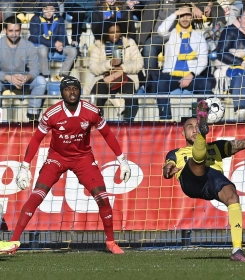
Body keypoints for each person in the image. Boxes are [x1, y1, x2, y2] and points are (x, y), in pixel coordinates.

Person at [9, 76, 131, 255]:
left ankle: (111, 242)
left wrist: (123, 161)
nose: (71, 92)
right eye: (67, 89)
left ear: (79, 91)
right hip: (57, 158)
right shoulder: (51, 114)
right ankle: (13, 242)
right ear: (62, 93)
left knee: (103, 198)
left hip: (83, 158)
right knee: (36, 196)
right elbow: (36, 139)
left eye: (75, 88)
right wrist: (24, 167)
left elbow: (108, 134)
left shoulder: (91, 110)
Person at [163, 99, 245, 261]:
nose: (194, 129)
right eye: (190, 127)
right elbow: (167, 169)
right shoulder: (175, 153)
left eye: (197, 126)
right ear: (182, 133)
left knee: (232, 195)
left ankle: (237, 250)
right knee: (197, 161)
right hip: (190, 180)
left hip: (212, 181)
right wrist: (168, 170)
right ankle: (202, 139)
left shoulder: (217, 147)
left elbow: (243, 144)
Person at [152, 6, 215, 120]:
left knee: (206, 86)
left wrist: (191, 74)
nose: (185, 18)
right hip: (171, 75)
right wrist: (175, 13)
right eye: (182, 16)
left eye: (187, 15)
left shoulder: (199, 37)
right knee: (159, 84)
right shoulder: (170, 34)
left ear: (192, 17)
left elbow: (203, 60)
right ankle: (166, 120)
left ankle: (202, 120)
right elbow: (160, 30)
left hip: (191, 75)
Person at [89, 20, 144, 121]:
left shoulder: (129, 43)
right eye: (111, 32)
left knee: (131, 94)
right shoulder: (99, 45)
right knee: (97, 92)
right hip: (106, 77)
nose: (115, 35)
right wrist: (109, 64)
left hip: (125, 77)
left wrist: (123, 68)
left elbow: (139, 63)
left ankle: (128, 121)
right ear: (106, 33)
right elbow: (93, 67)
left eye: (117, 31)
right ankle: (97, 121)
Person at [0, 16, 46, 122]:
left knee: (41, 81)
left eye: (17, 30)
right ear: (4, 30)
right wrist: (8, 77)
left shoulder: (28, 46)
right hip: (3, 80)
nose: (14, 34)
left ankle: (32, 116)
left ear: (21, 30)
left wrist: (27, 77)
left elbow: (35, 69)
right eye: (11, 31)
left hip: (23, 81)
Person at [29, 1, 77, 80]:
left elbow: (62, 35)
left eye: (51, 9)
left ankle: (63, 75)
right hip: (41, 46)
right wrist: (53, 44)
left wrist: (61, 44)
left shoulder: (59, 19)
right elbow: (35, 37)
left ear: (55, 10)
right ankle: (45, 76)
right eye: (45, 9)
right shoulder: (35, 18)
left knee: (73, 51)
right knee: (42, 49)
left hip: (55, 46)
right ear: (41, 9)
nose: (48, 12)